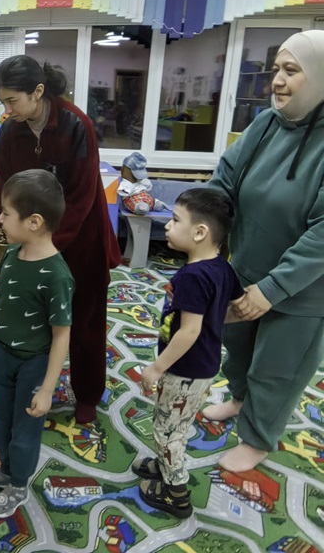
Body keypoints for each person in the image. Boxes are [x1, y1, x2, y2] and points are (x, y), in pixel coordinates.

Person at [203, 29, 324, 473]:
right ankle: (239, 400)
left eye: (292, 70)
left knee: (277, 367)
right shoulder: (266, 123)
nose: (277, 80)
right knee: (237, 345)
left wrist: (272, 289)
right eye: (276, 69)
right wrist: (204, 229)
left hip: (301, 290)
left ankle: (257, 437)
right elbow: (225, 178)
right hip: (246, 266)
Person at [0, 55, 122, 424]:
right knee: (33, 316)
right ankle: (32, 385)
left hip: (81, 239)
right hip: (30, 238)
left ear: (38, 91)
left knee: (84, 320)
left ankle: (87, 395)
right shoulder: (9, 132)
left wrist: (45, 245)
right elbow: (3, 187)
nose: (6, 110)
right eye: (2, 102)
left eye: (12, 101)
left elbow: (81, 195)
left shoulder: (76, 124)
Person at [0, 169, 73, 519]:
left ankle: (19, 483)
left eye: (6, 213)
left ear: (34, 222)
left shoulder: (57, 276)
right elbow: (3, 299)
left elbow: (62, 334)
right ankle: (7, 469)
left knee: (24, 428)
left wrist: (48, 389)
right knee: (0, 416)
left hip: (33, 363)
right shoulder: (11, 254)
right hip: (2, 352)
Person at [132, 188, 244, 518]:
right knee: (176, 423)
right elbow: (237, 307)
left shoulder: (193, 276)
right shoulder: (221, 267)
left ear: (199, 232)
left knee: (167, 431)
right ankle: (165, 465)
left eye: (175, 220)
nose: (167, 225)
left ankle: (176, 494)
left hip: (184, 369)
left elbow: (189, 331)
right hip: (203, 367)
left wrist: (156, 367)